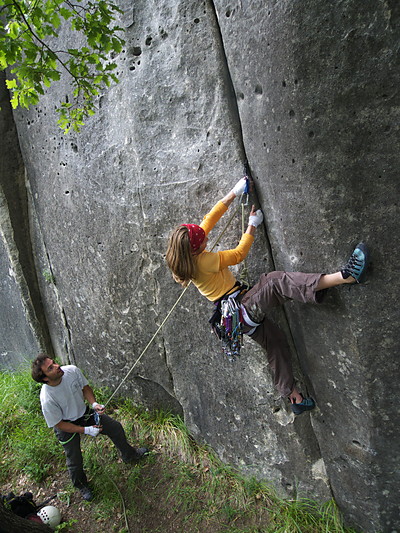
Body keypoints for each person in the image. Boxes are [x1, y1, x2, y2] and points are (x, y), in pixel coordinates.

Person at [165, 177, 368, 415]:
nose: (207, 237)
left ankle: (294, 397)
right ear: (196, 249)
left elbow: (208, 220)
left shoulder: (188, 254)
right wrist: (252, 225)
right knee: (275, 282)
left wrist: (234, 192)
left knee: (276, 342)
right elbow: (239, 254)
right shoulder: (204, 262)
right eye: (203, 241)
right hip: (239, 308)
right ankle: (346, 276)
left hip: (233, 319)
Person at [31, 354, 148, 501]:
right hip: (66, 424)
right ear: (45, 379)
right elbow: (59, 424)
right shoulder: (47, 398)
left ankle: (129, 455)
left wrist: (94, 404)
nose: (56, 366)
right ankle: (81, 485)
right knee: (74, 459)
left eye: (53, 363)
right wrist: (86, 430)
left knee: (115, 427)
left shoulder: (71, 371)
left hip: (84, 414)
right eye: (50, 368)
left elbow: (85, 388)